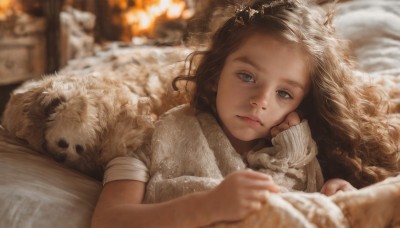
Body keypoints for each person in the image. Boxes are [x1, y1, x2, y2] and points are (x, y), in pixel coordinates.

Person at [91, 0, 399, 227]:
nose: (260, 101)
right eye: (247, 77)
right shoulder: (152, 136)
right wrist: (206, 206)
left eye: (284, 93)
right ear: (214, 75)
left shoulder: (302, 155)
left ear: (301, 104)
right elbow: (108, 220)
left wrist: (337, 194)